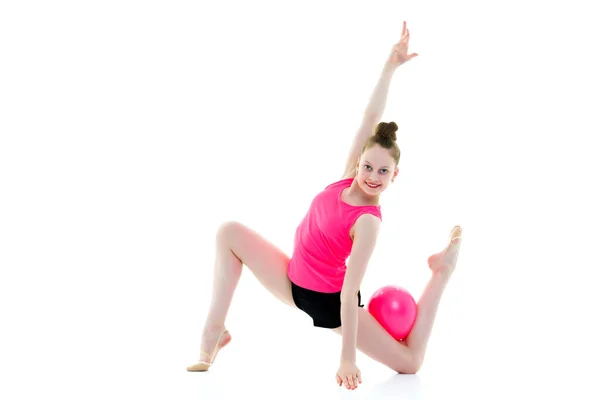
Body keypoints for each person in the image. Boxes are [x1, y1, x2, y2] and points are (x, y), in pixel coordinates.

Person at [186, 21, 463, 391]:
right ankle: (213, 332)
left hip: (325, 301)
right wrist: (390, 66)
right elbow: (369, 118)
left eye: (383, 171)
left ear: (395, 177)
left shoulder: (367, 222)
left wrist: (347, 358)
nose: (372, 176)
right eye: (368, 166)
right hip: (291, 277)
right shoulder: (348, 178)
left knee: (410, 362)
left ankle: (441, 271)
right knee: (229, 232)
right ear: (359, 162)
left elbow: (350, 293)